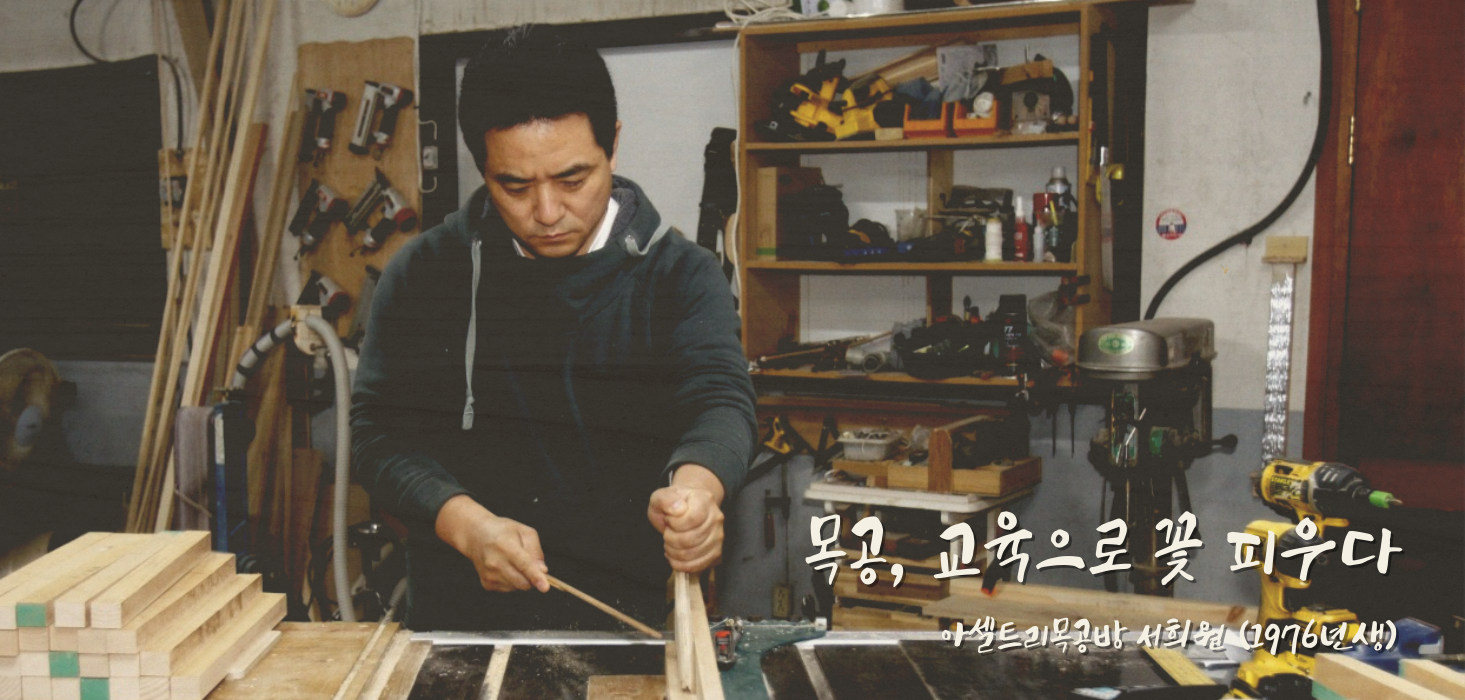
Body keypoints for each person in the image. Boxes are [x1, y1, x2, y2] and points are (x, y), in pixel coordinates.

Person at [350, 25, 756, 631]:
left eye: (573, 180)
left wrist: (697, 492)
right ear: (482, 166)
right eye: (514, 185)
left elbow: (720, 399)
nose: (546, 213)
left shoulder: (680, 274)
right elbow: (377, 433)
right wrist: (466, 525)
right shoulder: (425, 272)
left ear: (612, 145)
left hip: (628, 622)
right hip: (455, 622)